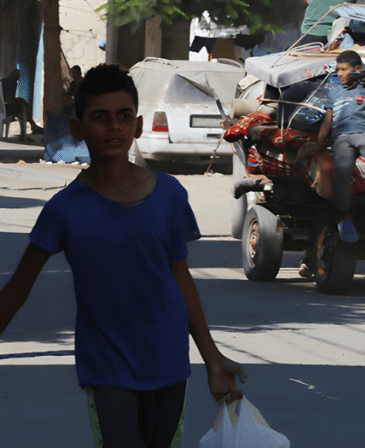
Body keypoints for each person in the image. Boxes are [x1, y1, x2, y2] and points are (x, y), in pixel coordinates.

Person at [0, 65, 247, 447]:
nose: (114, 127)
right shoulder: (64, 209)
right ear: (78, 129)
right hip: (106, 369)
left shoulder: (169, 195)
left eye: (123, 116)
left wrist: (213, 359)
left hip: (169, 365)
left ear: (139, 124)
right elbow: (18, 287)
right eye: (100, 118)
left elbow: (181, 279)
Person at [313, 51, 365, 250]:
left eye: (344, 69)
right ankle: (344, 216)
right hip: (341, 138)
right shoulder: (334, 91)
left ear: (357, 69)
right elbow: (327, 121)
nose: (340, 73)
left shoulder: (364, 87)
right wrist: (317, 142)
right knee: (343, 169)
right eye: (338, 69)